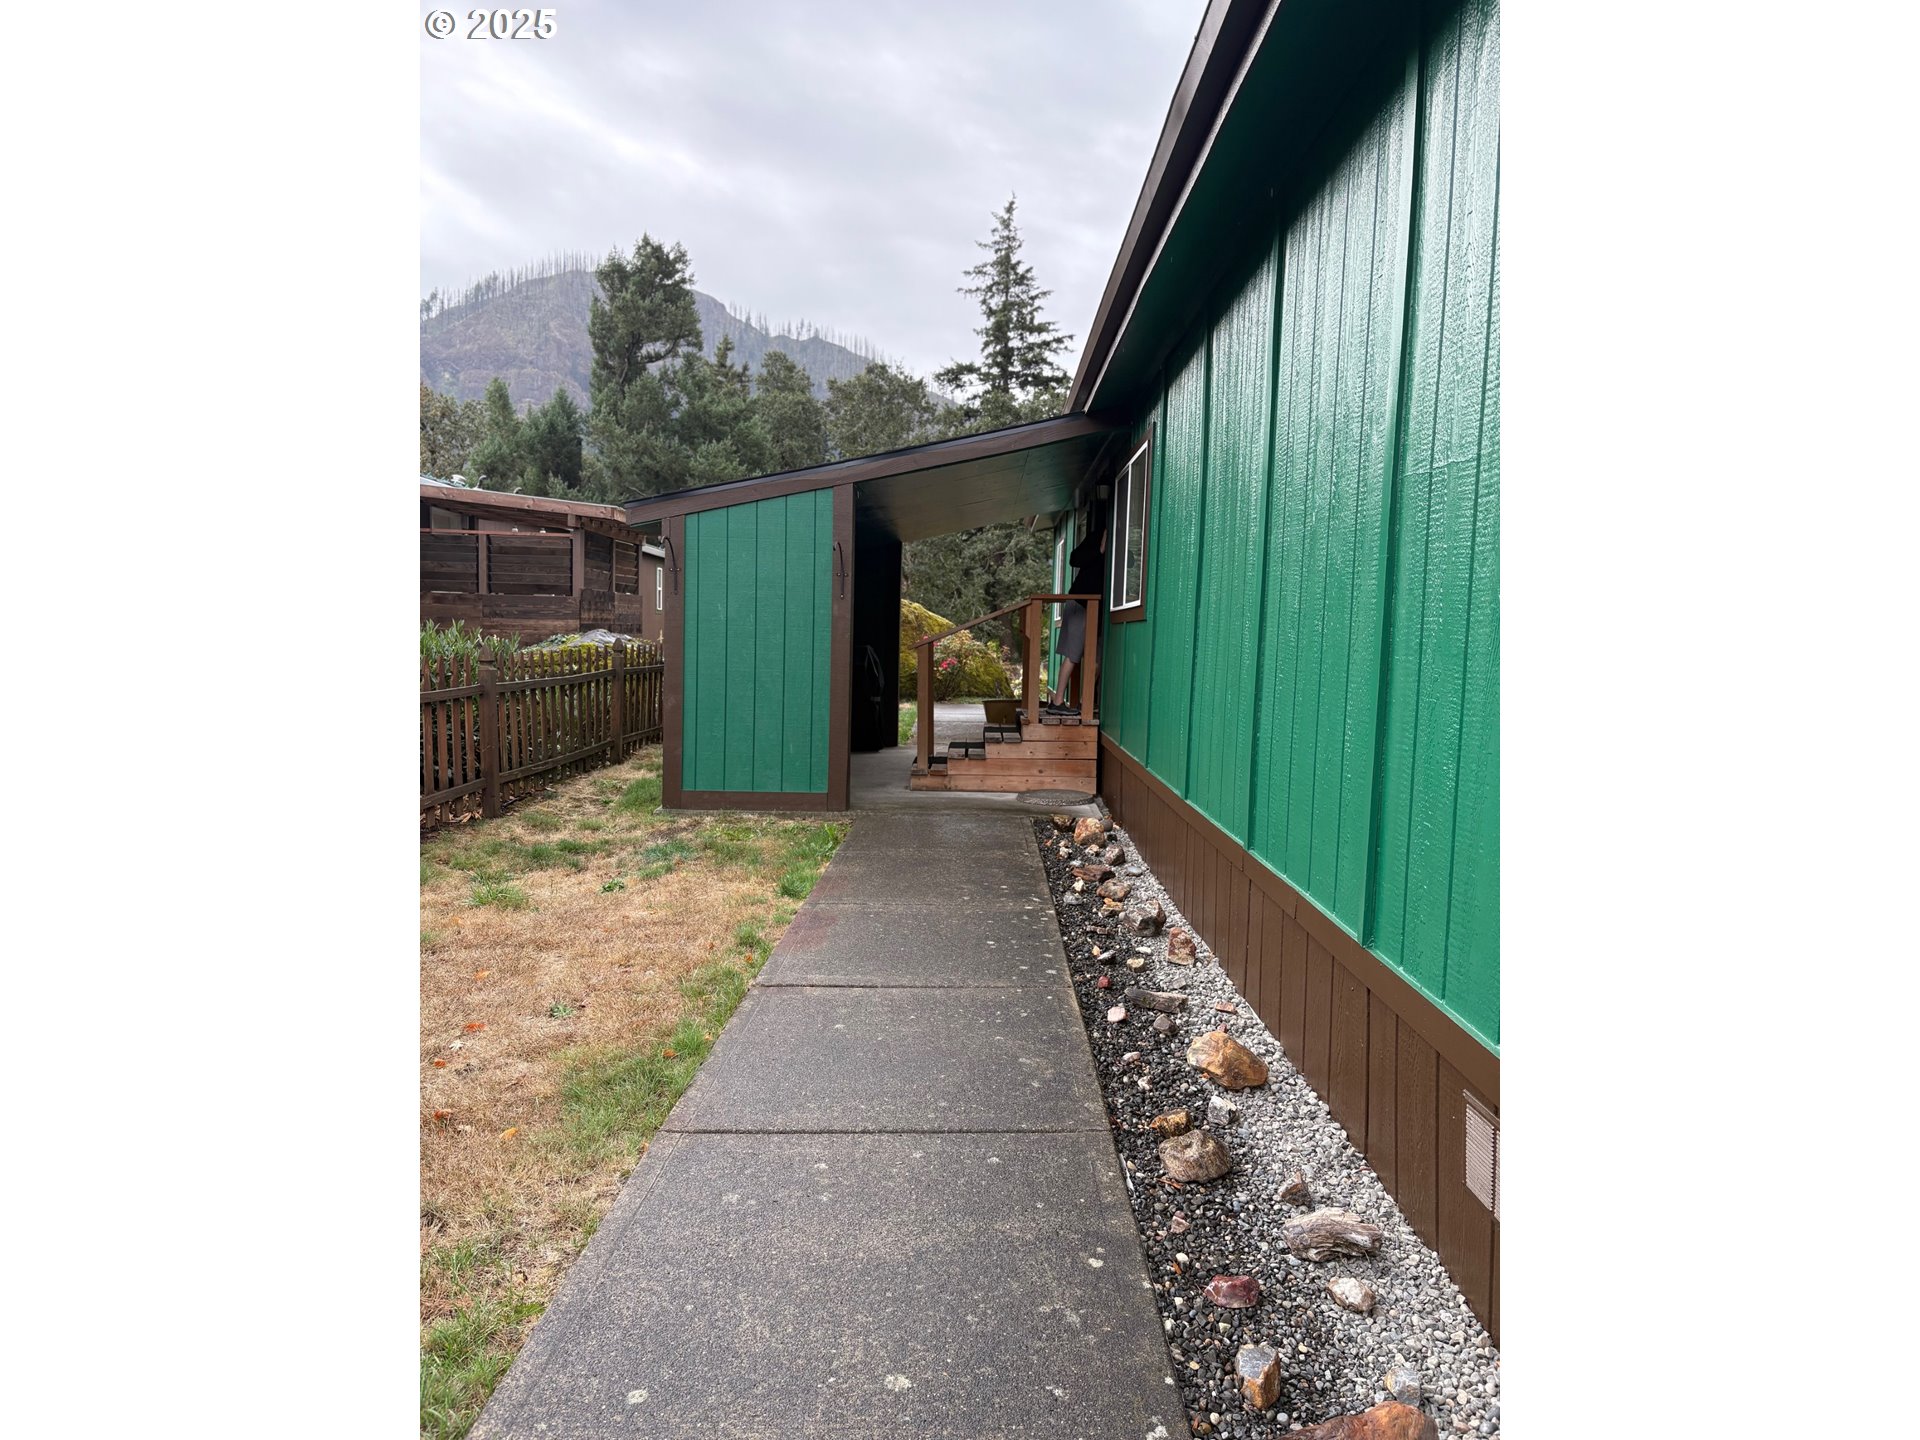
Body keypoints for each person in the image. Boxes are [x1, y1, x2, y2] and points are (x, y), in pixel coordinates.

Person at [1047, 513, 1105, 714]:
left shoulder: (1119, 543)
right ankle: (1057, 702)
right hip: (1081, 603)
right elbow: (1073, 559)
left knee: (1098, 658)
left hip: (1099, 608)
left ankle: (1085, 702)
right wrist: (1099, 549)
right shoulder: (1094, 537)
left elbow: (1130, 562)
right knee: (1073, 654)